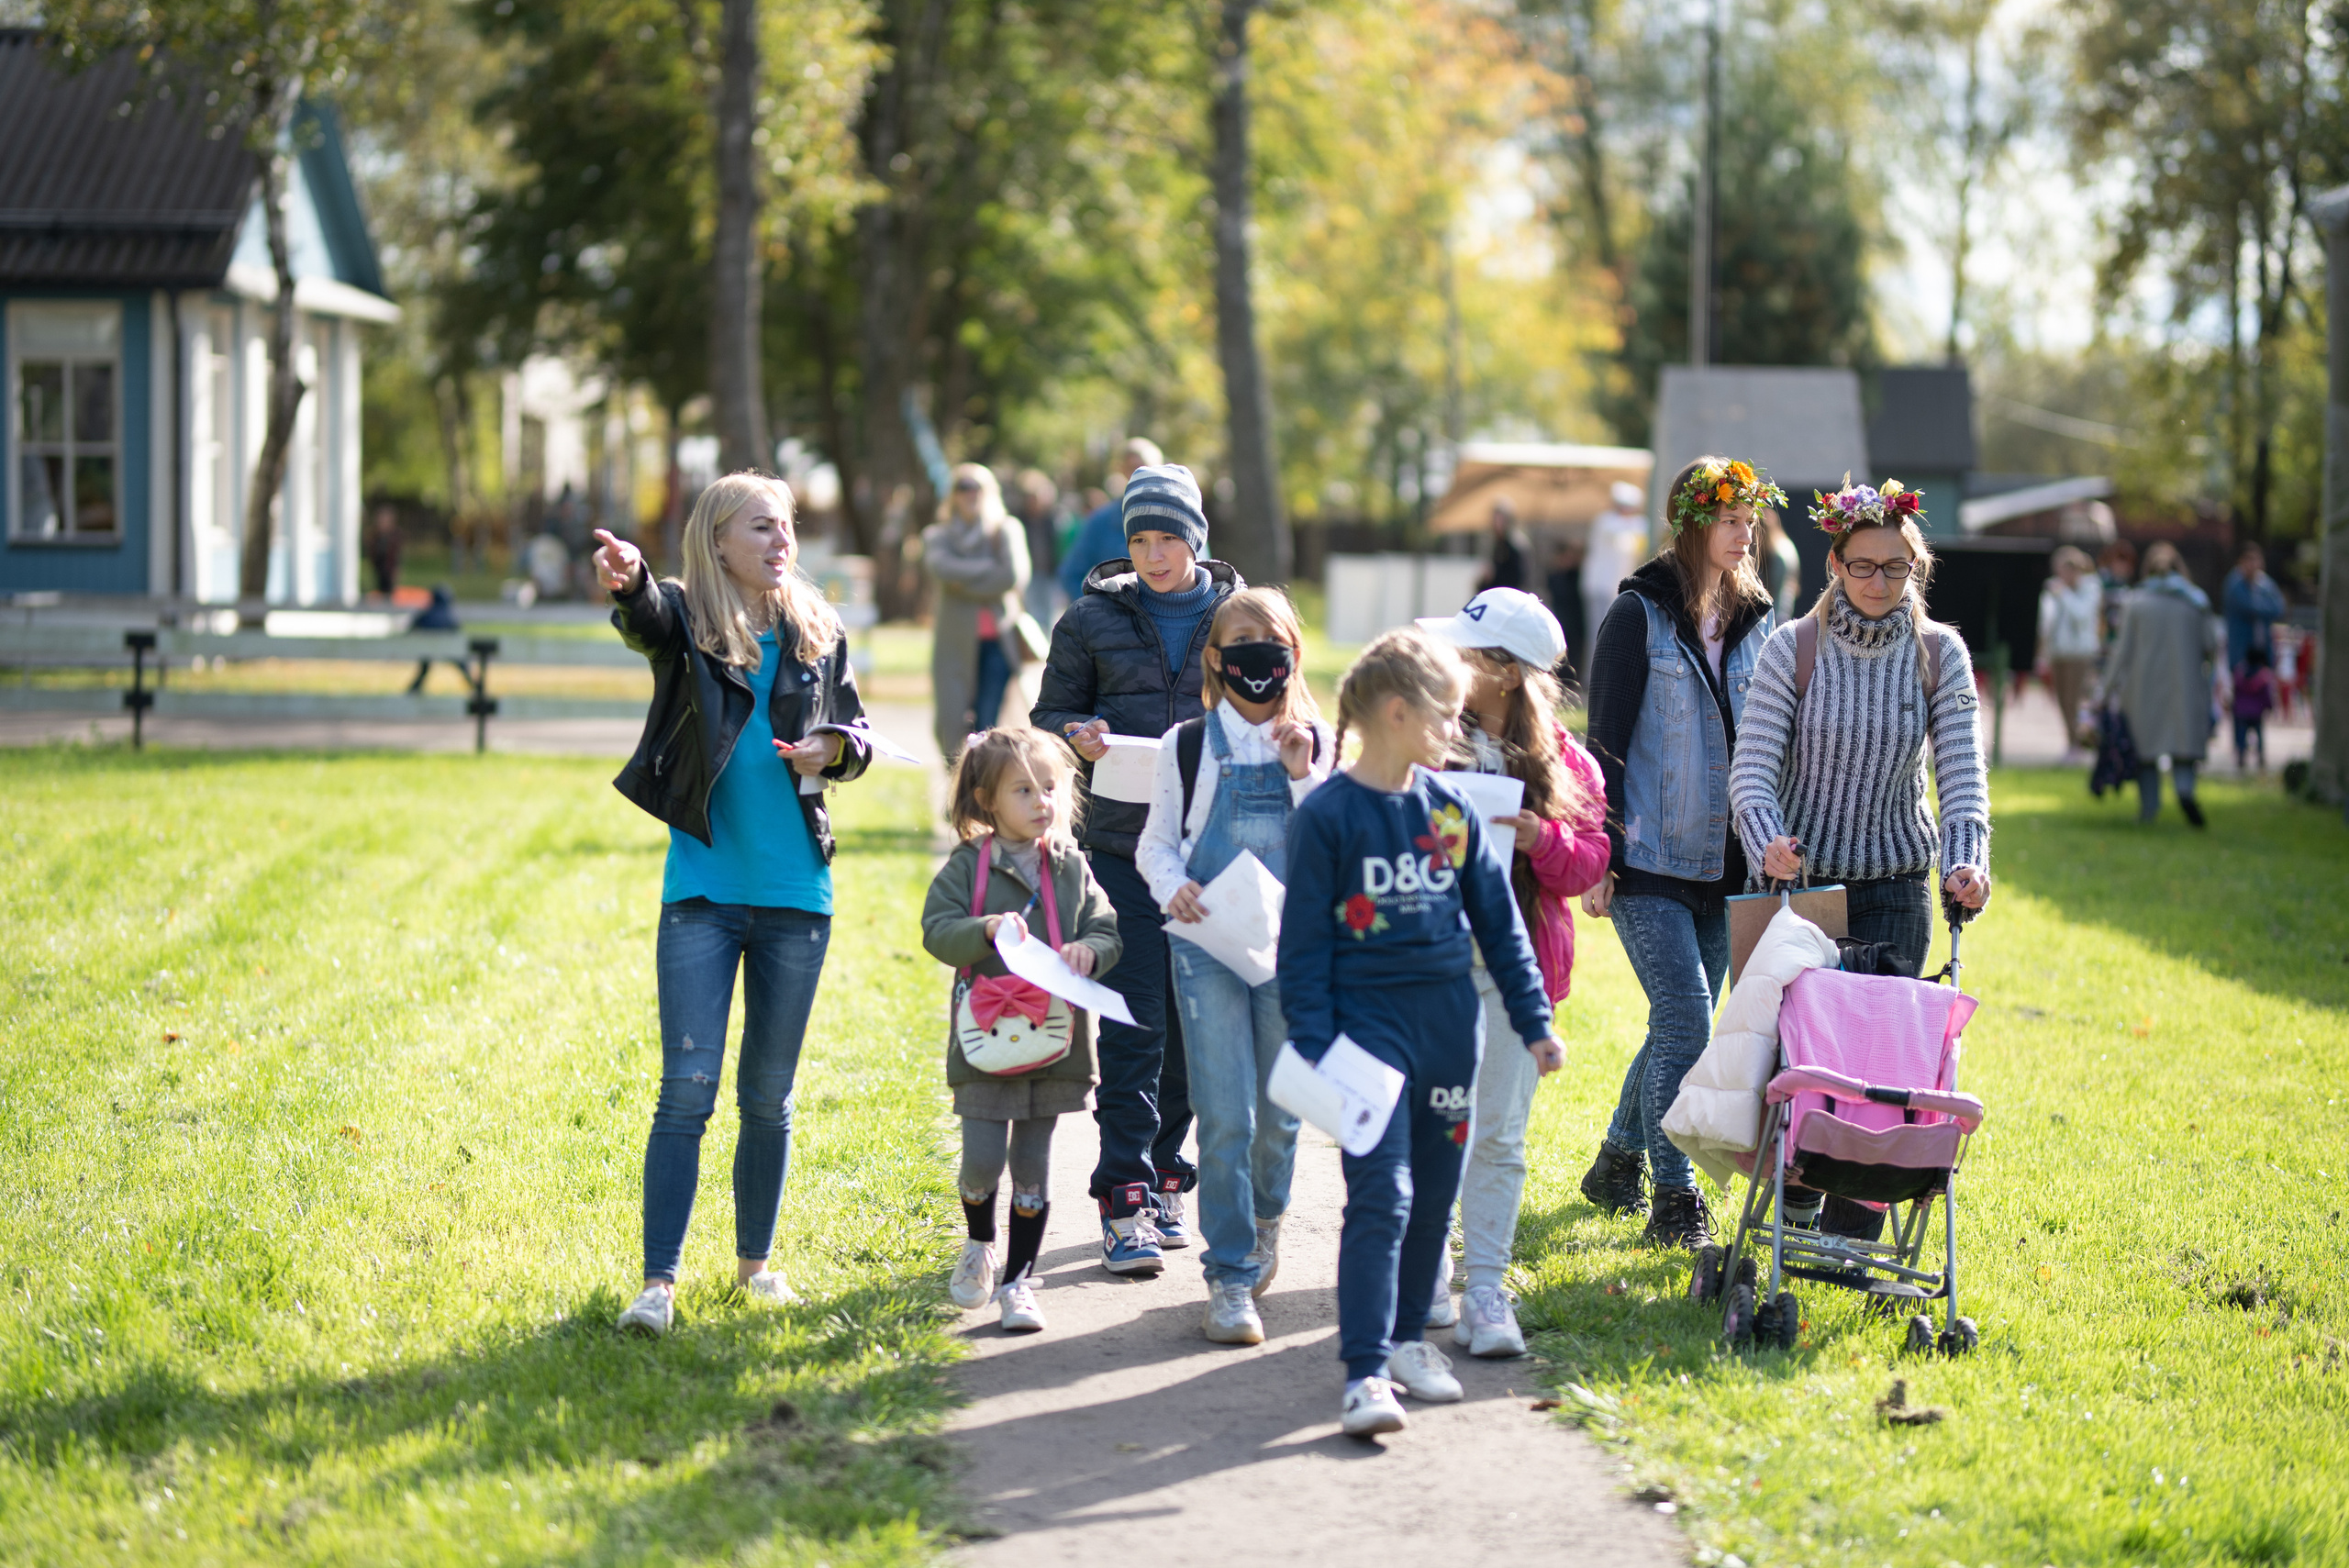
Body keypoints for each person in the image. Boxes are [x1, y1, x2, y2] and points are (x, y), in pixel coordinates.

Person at [590, 473, 874, 1337]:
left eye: (786, 525)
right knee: (687, 1088)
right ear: (718, 541)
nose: (780, 540)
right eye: (760, 526)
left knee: (768, 1095)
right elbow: (647, 619)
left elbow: (857, 736)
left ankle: (756, 1266)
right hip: (705, 895)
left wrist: (835, 749)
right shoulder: (688, 622)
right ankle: (658, 1286)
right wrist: (633, 580)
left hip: (798, 897)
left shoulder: (819, 634)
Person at [1278, 628, 1563, 1438]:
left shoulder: (1450, 809)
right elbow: (1301, 949)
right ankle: (1365, 1370)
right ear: (1397, 713)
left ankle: (1408, 1341)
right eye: (1444, 713)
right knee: (1383, 1196)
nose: (1456, 727)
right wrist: (1314, 1046)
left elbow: (1501, 929)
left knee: (1435, 1194)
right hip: (1365, 1034)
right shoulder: (1329, 816)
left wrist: (1534, 1022)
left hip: (1450, 1031)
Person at [1729, 477, 1993, 1238]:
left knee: (1883, 1076)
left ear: (1916, 569)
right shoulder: (1793, 648)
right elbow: (1752, 769)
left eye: (1895, 568)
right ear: (1836, 564)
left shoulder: (1940, 655)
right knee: (1802, 1065)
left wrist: (1967, 860)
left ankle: (1853, 1236)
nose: (1880, 582)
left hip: (1898, 888)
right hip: (1804, 890)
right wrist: (1767, 840)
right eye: (1864, 566)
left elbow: (1963, 775)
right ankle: (1791, 1212)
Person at [1032, 462, 1241, 1274]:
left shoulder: (1239, 615)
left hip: (1216, 851)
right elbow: (1048, 715)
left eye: (1168, 537)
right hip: (1120, 847)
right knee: (1133, 1022)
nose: (1154, 555)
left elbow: (1278, 707)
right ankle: (1121, 1193)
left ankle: (1166, 1174)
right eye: (1140, 539)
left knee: (1195, 1028)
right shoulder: (1088, 618)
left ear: (1196, 536)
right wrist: (1076, 732)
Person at [1575, 457, 1782, 1250]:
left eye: (1749, 521)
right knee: (1687, 1017)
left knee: (1677, 1024)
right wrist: (1599, 849)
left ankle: (1616, 1163)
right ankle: (1675, 1196)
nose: (1743, 534)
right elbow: (1604, 743)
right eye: (1729, 520)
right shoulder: (1638, 615)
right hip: (1648, 861)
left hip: (1729, 868)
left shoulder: (1761, 618)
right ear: (1692, 524)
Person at [1415, 589, 1610, 1356]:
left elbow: (1591, 860)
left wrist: (1539, 836)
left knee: (1497, 1132)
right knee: (1435, 1125)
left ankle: (1487, 1289)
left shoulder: (1568, 761)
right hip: (1429, 959)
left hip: (1516, 967)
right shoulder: (1429, 738)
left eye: (1470, 652)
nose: (1453, 661)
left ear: (1506, 672)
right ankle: (1426, 1269)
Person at [1136, 587, 1333, 1345]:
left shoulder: (1318, 741)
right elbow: (1156, 843)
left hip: (1292, 947)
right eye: (1240, 638)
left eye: (1271, 638)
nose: (1257, 652)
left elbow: (1334, 839)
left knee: (1279, 1113)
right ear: (1216, 658)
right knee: (1224, 1112)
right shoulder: (1185, 745)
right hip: (1206, 942)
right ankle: (1228, 1273)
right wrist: (1171, 885)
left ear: (1292, 654)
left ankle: (1265, 1221)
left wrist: (1301, 773)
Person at [922, 728, 1124, 1333]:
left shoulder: (1070, 866)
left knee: (1033, 1165)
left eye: (1051, 788)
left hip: (1055, 1042)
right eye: (1023, 789)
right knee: (983, 1162)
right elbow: (936, 929)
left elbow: (1106, 927)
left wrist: (1091, 948)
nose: (1042, 800)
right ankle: (980, 1240)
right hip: (985, 1041)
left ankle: (1019, 1282)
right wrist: (982, 929)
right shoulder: (967, 866)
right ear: (986, 798)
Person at [923, 463, 1033, 768]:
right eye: (963, 487)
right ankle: (956, 785)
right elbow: (940, 569)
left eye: (977, 487)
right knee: (950, 722)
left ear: (989, 491)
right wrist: (988, 569)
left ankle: (986, 793)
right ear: (953, 495)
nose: (970, 494)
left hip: (998, 643)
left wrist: (963, 582)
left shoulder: (1006, 529)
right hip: (953, 644)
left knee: (989, 727)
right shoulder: (937, 535)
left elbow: (1012, 576)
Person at [2106, 540, 2221, 828]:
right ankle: (2185, 791)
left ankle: (2149, 809)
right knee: (2184, 750)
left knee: (2147, 753)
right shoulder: (2196, 600)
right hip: (2187, 686)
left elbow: (2122, 653)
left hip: (2143, 689)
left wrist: (2102, 692)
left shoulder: (2136, 601)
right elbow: (2211, 645)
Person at [1056, 438, 1164, 604]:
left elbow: (1199, 571)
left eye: (1147, 467)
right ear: (1122, 471)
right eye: (1133, 469)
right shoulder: (1101, 521)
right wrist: (1096, 615)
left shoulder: (1182, 518)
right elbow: (1071, 574)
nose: (1141, 475)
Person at [2037, 545, 2103, 760]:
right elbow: (2048, 621)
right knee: (2063, 701)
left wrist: (2063, 594)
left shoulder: (2091, 588)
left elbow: (2081, 615)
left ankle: (2081, 742)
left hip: (2080, 655)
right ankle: (2072, 741)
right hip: (2059, 653)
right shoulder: (2056, 590)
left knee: (2076, 700)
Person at [1581, 480, 1649, 686]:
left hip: (1616, 590)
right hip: (1599, 587)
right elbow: (1625, 537)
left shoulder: (1634, 525)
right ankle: (1594, 679)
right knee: (1597, 633)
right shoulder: (1606, 522)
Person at [2221, 542, 2287, 678]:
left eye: (2255, 559)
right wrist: (2263, 606)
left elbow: (2279, 608)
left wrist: (2260, 606)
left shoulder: (2266, 584)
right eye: (2248, 559)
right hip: (2242, 653)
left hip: (2263, 650)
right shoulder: (2234, 584)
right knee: (2243, 696)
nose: (2252, 564)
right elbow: (2249, 607)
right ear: (2240, 562)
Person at [2232, 645, 2277, 773]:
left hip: (2241, 711)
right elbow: (2266, 694)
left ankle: (2241, 755)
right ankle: (2261, 756)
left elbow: (2235, 692)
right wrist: (2269, 706)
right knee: (2259, 736)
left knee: (2241, 735)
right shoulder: (2263, 676)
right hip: (2257, 711)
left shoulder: (2239, 673)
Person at [1756, 507, 1803, 622]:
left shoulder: (1778, 555)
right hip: (1784, 611)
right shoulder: (1787, 545)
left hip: (1774, 616)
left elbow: (1774, 591)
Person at [1477, 498, 1532, 594]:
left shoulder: (1516, 543)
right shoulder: (1498, 544)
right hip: (1499, 595)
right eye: (1495, 519)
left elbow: (1519, 578)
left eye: (1499, 519)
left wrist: (1494, 575)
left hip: (1512, 597)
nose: (1496, 523)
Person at [364, 503, 403, 597]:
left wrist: (396, 569)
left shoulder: (394, 536)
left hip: (389, 569)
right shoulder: (376, 536)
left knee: (389, 590)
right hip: (379, 567)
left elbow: (396, 555)